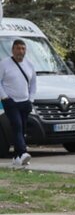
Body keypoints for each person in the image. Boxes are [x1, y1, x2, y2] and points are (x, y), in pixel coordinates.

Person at [0, 38, 37, 167]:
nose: (20, 51)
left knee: (22, 129)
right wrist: (4, 97)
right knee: (17, 125)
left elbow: (33, 84)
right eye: (18, 48)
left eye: (23, 49)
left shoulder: (29, 65)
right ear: (13, 50)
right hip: (10, 102)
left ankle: (16, 158)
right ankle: (23, 152)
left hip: (24, 102)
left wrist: (30, 99)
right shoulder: (4, 64)